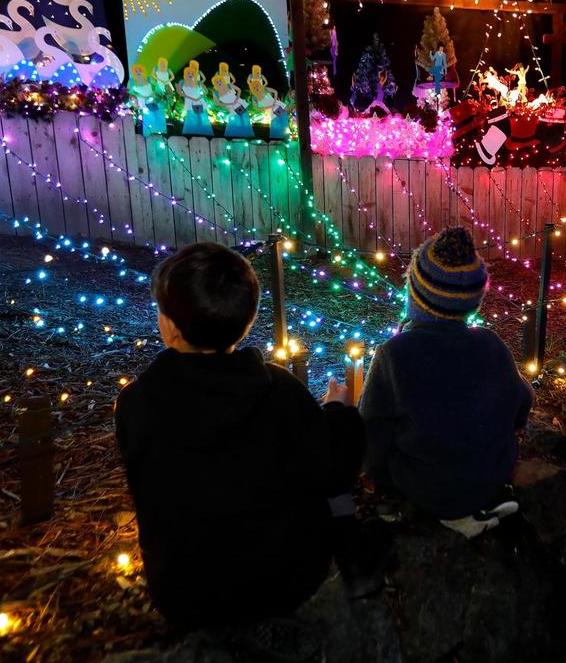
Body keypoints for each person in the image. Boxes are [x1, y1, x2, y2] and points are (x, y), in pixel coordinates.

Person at [115, 243, 388, 636]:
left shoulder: (136, 402)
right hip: (284, 581)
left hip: (184, 593)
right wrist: (339, 411)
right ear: (250, 319)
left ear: (170, 327)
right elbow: (333, 469)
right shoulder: (279, 390)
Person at [359, 227, 532, 538]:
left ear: (414, 292)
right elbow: (522, 404)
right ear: (475, 300)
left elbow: (371, 426)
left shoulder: (394, 354)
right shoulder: (491, 344)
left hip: (426, 486)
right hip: (489, 477)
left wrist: (379, 474)